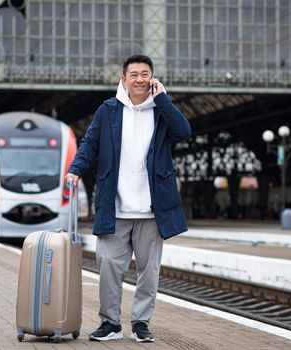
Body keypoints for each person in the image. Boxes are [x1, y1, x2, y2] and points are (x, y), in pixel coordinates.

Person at [65, 54, 191, 343]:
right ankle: (110, 323)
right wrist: (75, 169)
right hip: (116, 205)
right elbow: (90, 143)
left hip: (152, 208)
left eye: (145, 74)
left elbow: (183, 132)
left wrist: (165, 101)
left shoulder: (162, 110)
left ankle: (141, 322)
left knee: (149, 271)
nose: (139, 79)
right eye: (133, 74)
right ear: (124, 79)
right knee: (108, 264)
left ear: (153, 79)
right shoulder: (108, 111)